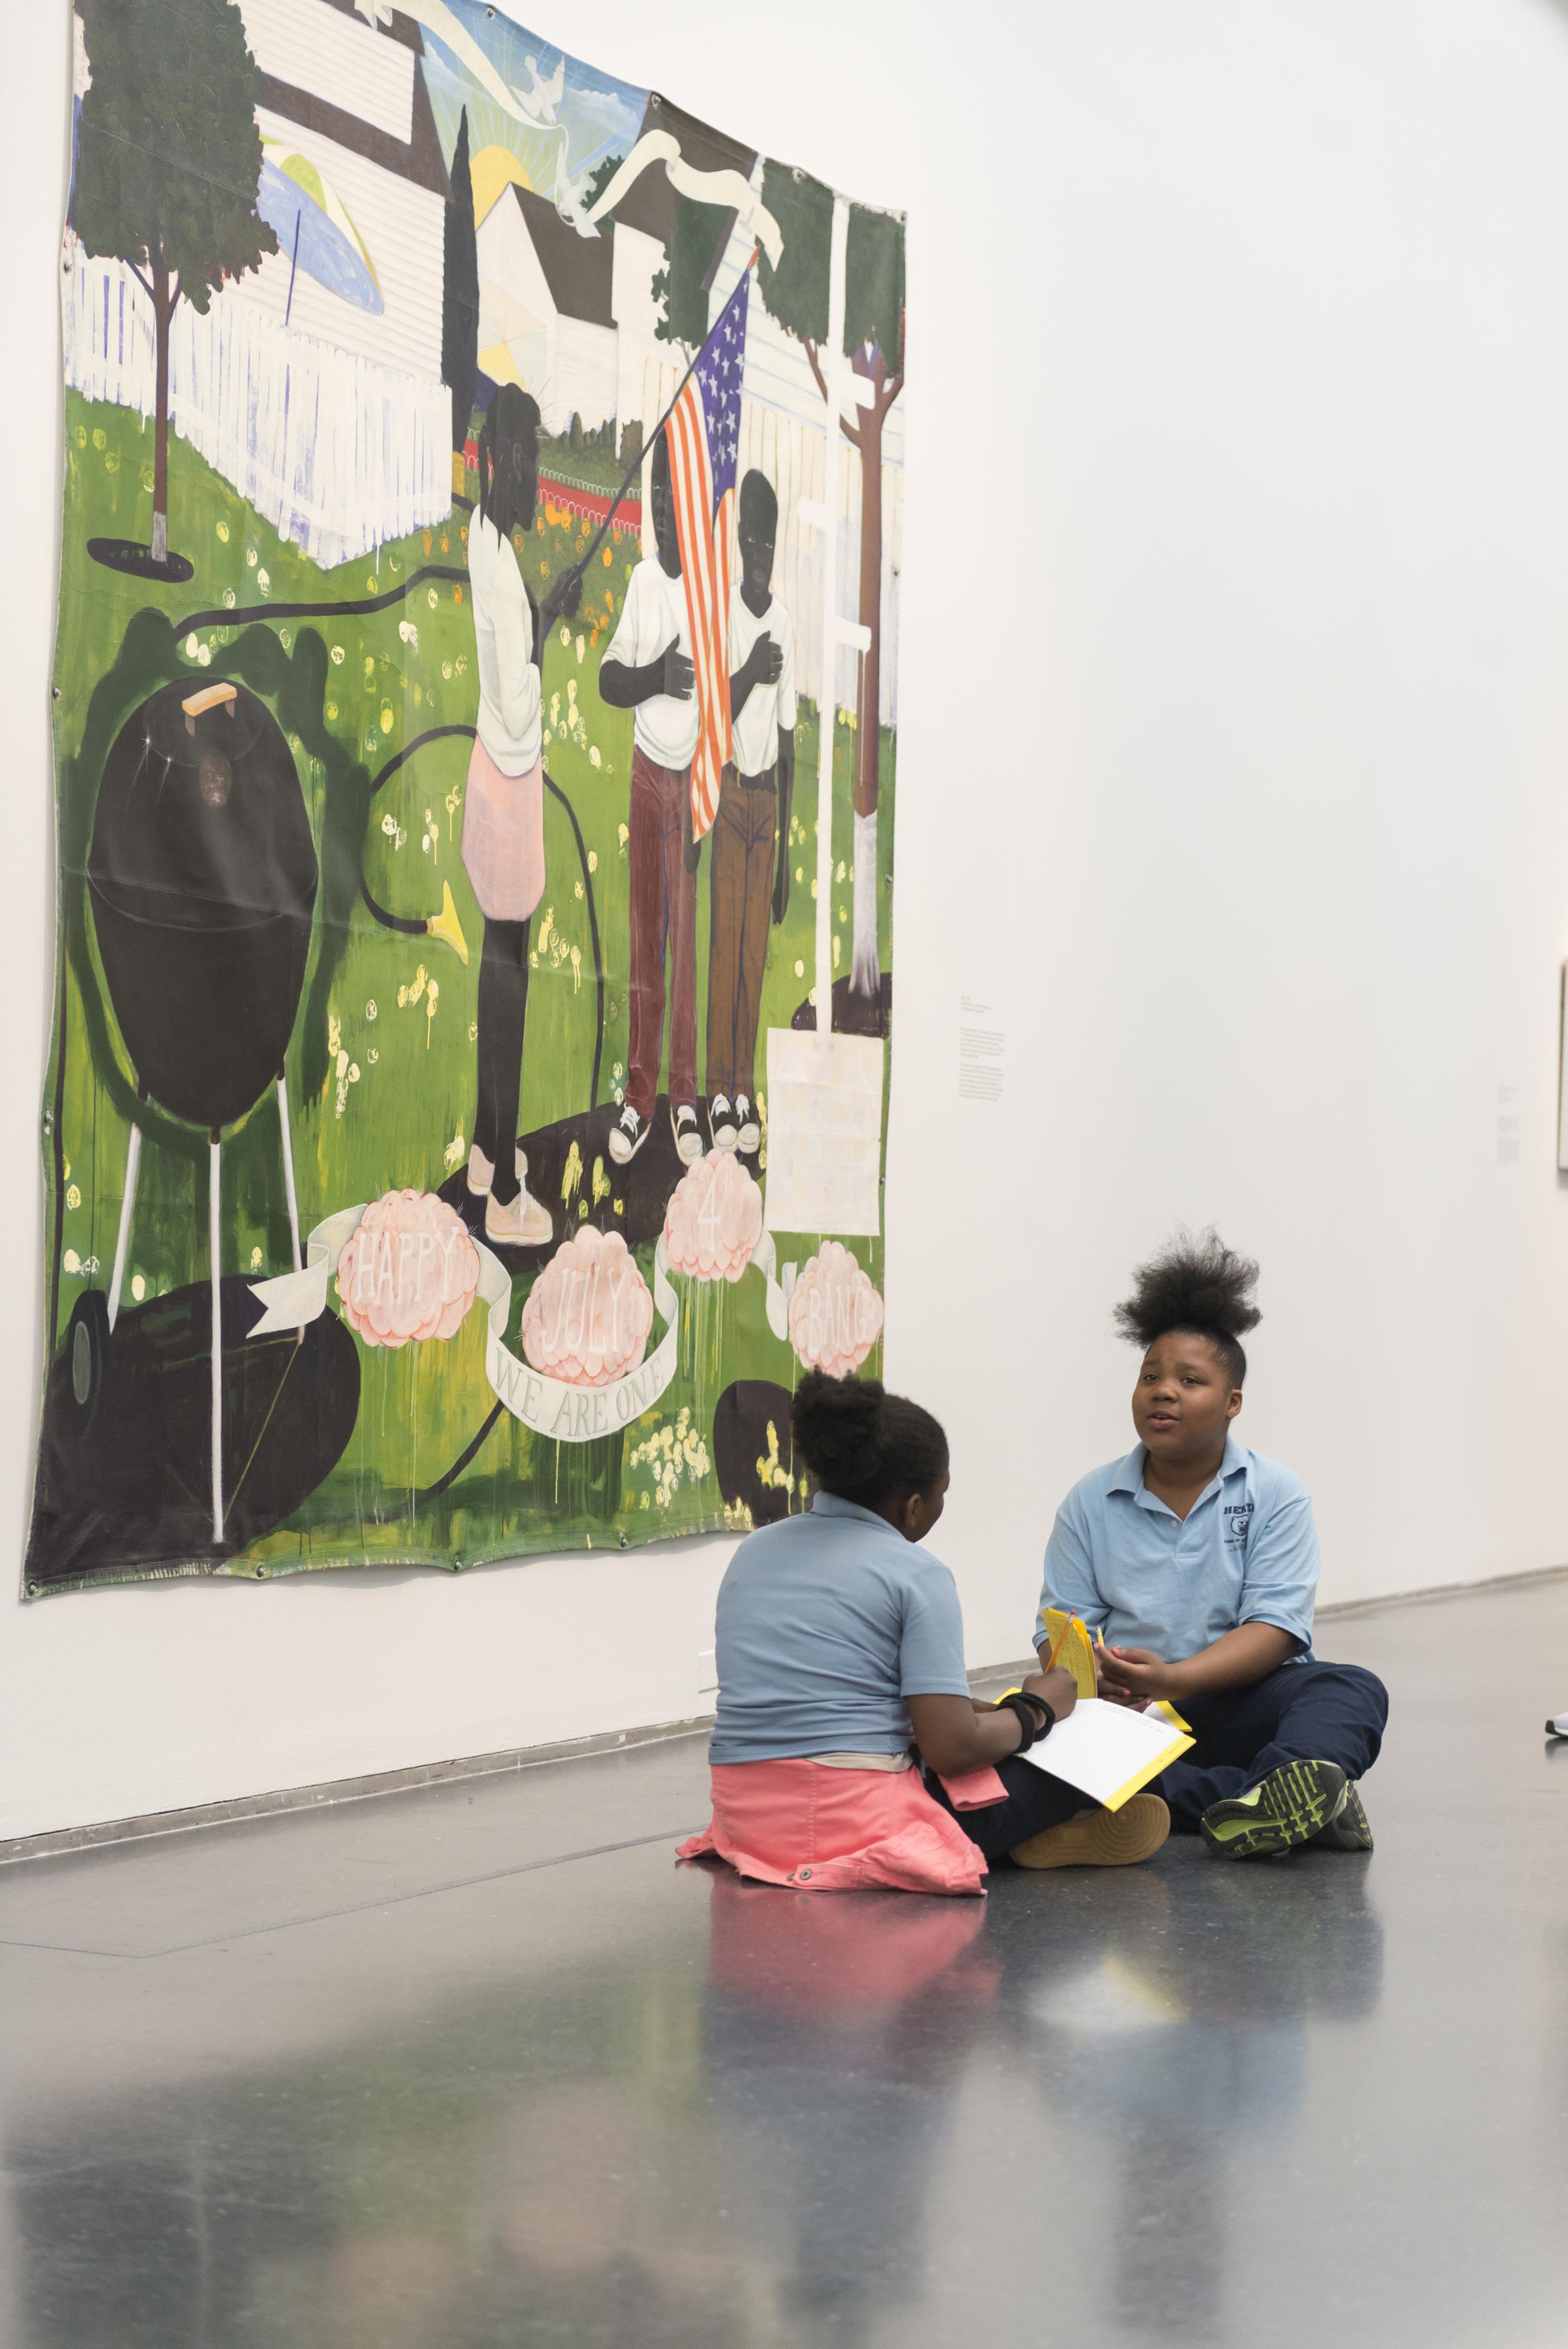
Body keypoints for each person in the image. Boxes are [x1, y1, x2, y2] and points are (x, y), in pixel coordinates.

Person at [679, 1370, 1171, 1895]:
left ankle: (1047, 1839)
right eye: (941, 1494)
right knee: (1102, 1752)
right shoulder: (916, 1574)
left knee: (998, 1738)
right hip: (854, 1830)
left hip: (749, 1823)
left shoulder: (754, 1551)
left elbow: (839, 1697)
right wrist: (1039, 1708)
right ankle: (1032, 1832)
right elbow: (952, 1750)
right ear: (913, 1506)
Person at [1038, 1229, 1389, 1860]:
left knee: (1348, 1689)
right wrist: (1092, 1676)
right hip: (1133, 1717)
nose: (1162, 1391)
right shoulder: (1090, 1500)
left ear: (1231, 1404)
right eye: (1150, 1376)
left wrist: (1175, 1678)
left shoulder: (1274, 1490)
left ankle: (1272, 1791)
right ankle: (1284, 1800)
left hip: (1240, 1704)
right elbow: (1059, 1630)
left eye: (1189, 1380)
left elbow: (1276, 1629)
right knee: (1032, 1729)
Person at [460, 383, 580, 1247]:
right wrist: (544, 634)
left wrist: (545, 615)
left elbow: (507, 651)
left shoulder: (484, 538)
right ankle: (502, 1192)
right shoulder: (502, 576)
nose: (534, 474)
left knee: (494, 979)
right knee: (511, 991)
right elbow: (515, 703)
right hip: (508, 789)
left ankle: (479, 1147)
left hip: (486, 782)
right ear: (501, 463)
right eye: (528, 458)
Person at [598, 428, 703, 1170]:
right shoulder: (641, 583)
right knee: (646, 946)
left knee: (686, 948)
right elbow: (609, 680)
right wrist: (656, 677)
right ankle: (639, 1099)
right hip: (645, 774)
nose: (664, 508)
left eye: (676, 495)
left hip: (693, 782)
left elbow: (724, 700)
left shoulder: (710, 587)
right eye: (655, 495)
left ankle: (687, 1101)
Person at [705, 469, 795, 1156]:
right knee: (725, 943)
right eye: (753, 540)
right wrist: (750, 673)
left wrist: (789, 853)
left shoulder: (784, 622)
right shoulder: (727, 619)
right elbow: (713, 717)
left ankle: (744, 1086)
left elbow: (789, 740)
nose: (761, 554)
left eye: (771, 542)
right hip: (730, 793)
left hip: (767, 803)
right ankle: (720, 1090)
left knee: (754, 959)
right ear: (739, 542)